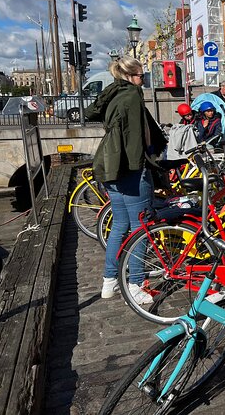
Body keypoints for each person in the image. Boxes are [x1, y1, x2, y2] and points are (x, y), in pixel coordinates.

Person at [92, 56, 167, 304]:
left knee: (119, 226)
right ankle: (135, 285)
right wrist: (146, 164)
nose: (143, 80)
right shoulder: (133, 95)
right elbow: (138, 136)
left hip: (110, 166)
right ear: (131, 76)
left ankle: (109, 282)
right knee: (141, 229)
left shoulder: (112, 94)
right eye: (141, 76)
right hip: (130, 170)